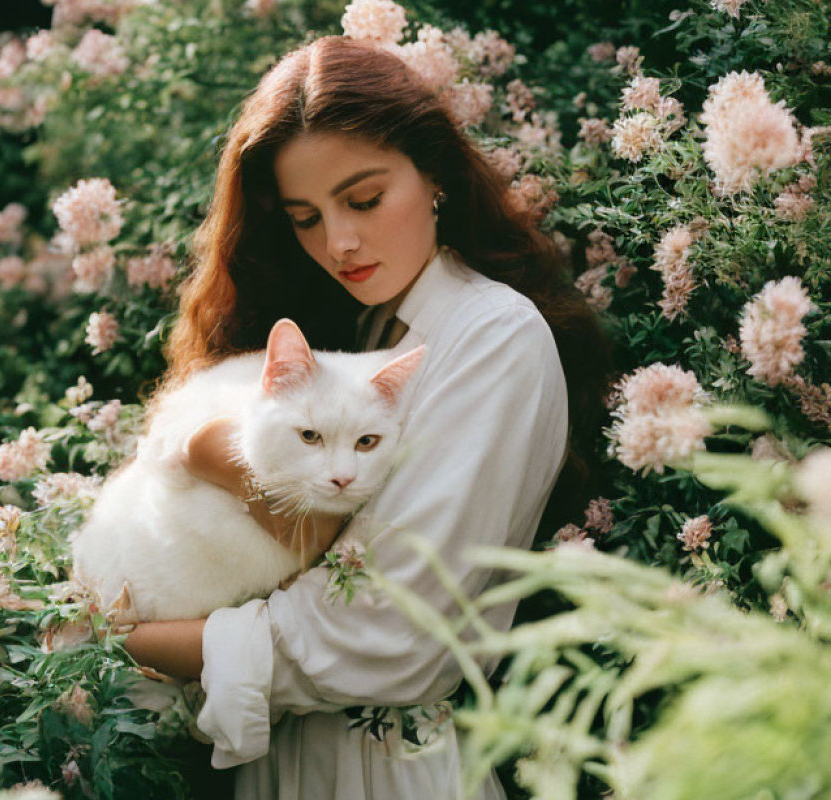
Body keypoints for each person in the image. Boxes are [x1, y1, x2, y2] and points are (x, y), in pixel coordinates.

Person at [122, 34, 611, 800]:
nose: (338, 243)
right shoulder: (365, 325)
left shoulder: (493, 337)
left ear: (436, 177)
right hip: (283, 759)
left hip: (389, 770)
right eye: (305, 217)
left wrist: (124, 643)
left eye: (364, 199)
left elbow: (394, 635)